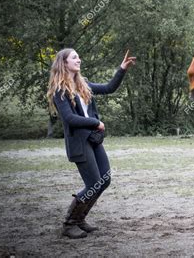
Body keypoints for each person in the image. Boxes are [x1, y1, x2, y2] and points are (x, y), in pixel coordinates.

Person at [46, 48, 136, 239]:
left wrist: (122, 69)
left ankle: (79, 219)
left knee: (104, 180)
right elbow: (70, 118)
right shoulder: (60, 90)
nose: (79, 60)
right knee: (93, 183)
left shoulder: (83, 84)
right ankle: (69, 224)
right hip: (79, 142)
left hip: (93, 140)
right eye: (74, 57)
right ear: (64, 63)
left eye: (79, 56)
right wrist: (96, 123)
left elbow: (109, 88)